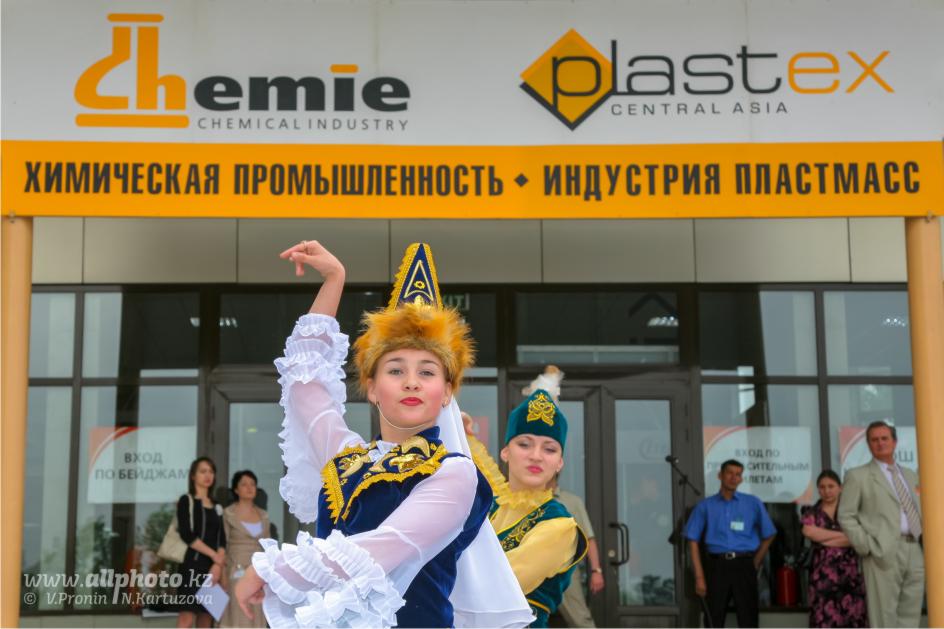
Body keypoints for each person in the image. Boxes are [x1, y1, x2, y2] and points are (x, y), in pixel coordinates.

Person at [233, 241, 532, 628]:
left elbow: (385, 547)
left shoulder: (454, 473)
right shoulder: (347, 459)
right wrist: (334, 279)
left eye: (427, 371)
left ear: (447, 392)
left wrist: (274, 569)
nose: (411, 382)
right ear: (372, 388)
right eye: (395, 370)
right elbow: (306, 384)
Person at [464, 366, 588, 627]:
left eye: (549, 449)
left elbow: (499, 586)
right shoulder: (497, 501)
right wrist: (457, 427)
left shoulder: (560, 526)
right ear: (505, 452)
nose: (536, 456)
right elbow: (480, 465)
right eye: (524, 444)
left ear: (560, 463)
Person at [838, 421, 924, 628]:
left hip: (915, 549)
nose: (880, 443)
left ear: (894, 442)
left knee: (911, 615)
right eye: (874, 440)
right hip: (882, 550)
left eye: (884, 438)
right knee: (884, 617)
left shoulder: (911, 475)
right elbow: (845, 515)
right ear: (868, 445)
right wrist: (867, 545)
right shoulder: (857, 476)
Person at [684, 459, 776, 628]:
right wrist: (699, 577)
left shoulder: (752, 503)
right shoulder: (705, 506)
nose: (734, 478)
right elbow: (692, 540)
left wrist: (755, 561)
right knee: (713, 619)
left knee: (748, 620)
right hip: (716, 567)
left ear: (741, 479)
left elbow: (769, 534)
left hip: (744, 565)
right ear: (720, 475)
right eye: (729, 473)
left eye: (738, 474)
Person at [800, 470, 867, 628]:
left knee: (852, 618)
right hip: (822, 576)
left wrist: (823, 538)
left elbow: (859, 539)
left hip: (850, 576)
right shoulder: (812, 512)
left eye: (831, 486)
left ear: (840, 488)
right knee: (823, 618)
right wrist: (844, 536)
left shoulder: (850, 513)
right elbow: (808, 531)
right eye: (822, 487)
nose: (827, 491)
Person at [175, 456, 227, 629]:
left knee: (206, 620)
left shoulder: (217, 505)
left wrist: (217, 565)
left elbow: (222, 539)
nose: (208, 475)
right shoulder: (186, 500)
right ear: (193, 476)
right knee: (186, 619)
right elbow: (187, 535)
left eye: (211, 471)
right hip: (191, 567)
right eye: (203, 471)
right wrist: (214, 556)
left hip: (212, 570)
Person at [550, 475, 603, 628]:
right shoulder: (525, 498)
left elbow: (588, 538)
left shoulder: (572, 501)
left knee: (580, 620)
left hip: (565, 570)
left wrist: (596, 570)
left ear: (557, 468)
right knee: (524, 619)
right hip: (532, 570)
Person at [220, 470, 270, 628]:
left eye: (253, 484)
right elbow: (222, 545)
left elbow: (268, 547)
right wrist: (223, 574)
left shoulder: (264, 515)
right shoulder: (228, 514)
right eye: (244, 484)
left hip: (258, 572)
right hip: (236, 569)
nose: (249, 488)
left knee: (257, 613)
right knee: (237, 615)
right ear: (236, 489)